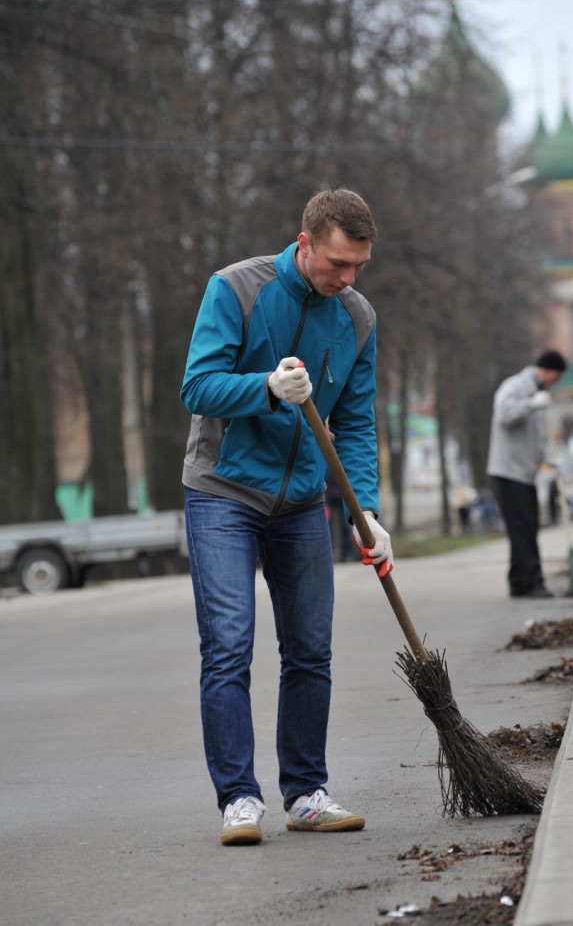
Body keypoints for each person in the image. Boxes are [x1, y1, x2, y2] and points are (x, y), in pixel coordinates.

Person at [180, 188, 393, 846]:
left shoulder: (356, 317)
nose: (347, 279)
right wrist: (266, 388)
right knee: (229, 643)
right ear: (305, 244)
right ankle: (239, 799)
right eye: (337, 264)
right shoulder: (236, 289)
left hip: (302, 502)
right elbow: (198, 385)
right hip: (224, 492)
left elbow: (355, 422)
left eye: (358, 265)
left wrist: (368, 509)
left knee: (309, 647)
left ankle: (305, 792)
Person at [486, 349, 567, 599]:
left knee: (526, 528)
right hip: (509, 471)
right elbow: (505, 415)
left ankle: (519, 581)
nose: (555, 383)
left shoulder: (534, 392)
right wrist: (532, 404)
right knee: (523, 528)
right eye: (557, 377)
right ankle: (532, 582)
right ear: (549, 371)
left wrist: (547, 459)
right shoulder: (516, 386)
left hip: (524, 473)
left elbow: (535, 435)